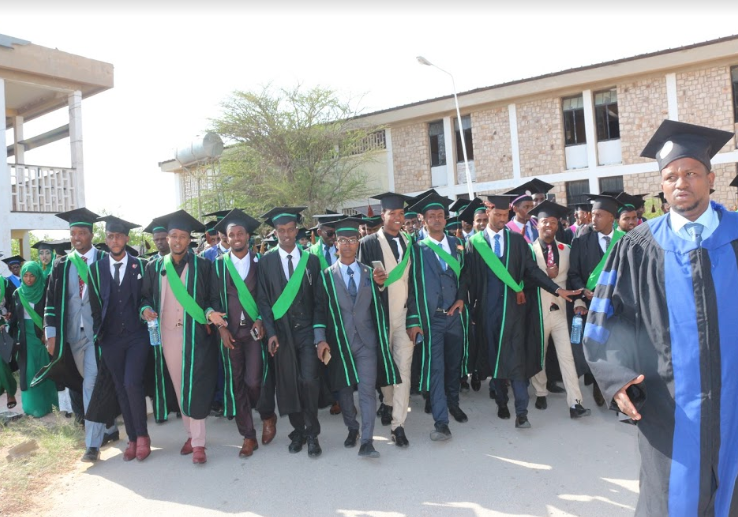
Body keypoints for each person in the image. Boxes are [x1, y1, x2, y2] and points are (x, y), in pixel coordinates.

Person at [584, 120, 737, 515]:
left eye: (691, 173)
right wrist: (617, 381)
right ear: (662, 185)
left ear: (710, 178)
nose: (680, 182)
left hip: (734, 405)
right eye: (670, 176)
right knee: (671, 501)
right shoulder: (637, 247)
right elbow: (604, 323)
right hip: (668, 411)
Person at [466, 195, 580, 429]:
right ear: (488, 213)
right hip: (487, 310)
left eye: (504, 215)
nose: (501, 219)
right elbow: (467, 278)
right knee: (495, 357)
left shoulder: (517, 241)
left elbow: (532, 272)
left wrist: (557, 289)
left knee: (516, 358)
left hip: (514, 310)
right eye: (497, 215)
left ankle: (522, 412)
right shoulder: (474, 243)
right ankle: (500, 400)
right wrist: (462, 302)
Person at [32, 208, 118, 462]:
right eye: (73, 233)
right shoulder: (61, 265)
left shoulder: (104, 260)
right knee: (84, 381)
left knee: (91, 382)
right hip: (71, 336)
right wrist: (51, 334)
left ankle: (92, 445)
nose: (77, 237)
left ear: (92, 235)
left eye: (82, 233)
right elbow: (51, 301)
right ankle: (110, 427)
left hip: (97, 335)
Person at [141, 209, 224, 465]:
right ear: (167, 238)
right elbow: (144, 298)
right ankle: (191, 434)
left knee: (194, 386)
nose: (177, 241)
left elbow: (211, 299)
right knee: (179, 387)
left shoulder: (204, 266)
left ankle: (198, 443)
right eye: (173, 236)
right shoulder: (154, 266)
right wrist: (144, 310)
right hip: (166, 336)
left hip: (196, 334)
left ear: (190, 240)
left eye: (183, 237)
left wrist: (210, 312)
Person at [314, 217, 399, 458]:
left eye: (352, 240)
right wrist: (320, 339)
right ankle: (352, 428)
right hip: (340, 342)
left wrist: (381, 287)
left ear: (358, 242)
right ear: (336, 244)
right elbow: (319, 310)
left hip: (366, 342)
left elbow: (380, 304)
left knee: (367, 391)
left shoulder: (371, 273)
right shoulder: (326, 276)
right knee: (343, 391)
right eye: (343, 240)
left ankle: (368, 441)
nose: (348, 244)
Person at [256, 206, 324, 457]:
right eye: (281, 230)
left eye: (290, 229)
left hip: (306, 332)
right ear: (275, 232)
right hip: (281, 334)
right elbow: (263, 301)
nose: (286, 234)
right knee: (288, 385)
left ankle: (312, 433)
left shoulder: (312, 261)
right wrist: (271, 333)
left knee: (308, 381)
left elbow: (319, 301)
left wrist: (319, 336)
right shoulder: (266, 263)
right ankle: (299, 430)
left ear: (297, 230)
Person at [212, 209, 278, 457]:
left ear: (248, 236)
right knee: (237, 384)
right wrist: (220, 328)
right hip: (230, 334)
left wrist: (261, 319)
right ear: (226, 238)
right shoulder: (218, 266)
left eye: (241, 233)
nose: (237, 237)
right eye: (232, 234)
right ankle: (248, 436)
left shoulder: (261, 263)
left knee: (253, 381)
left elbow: (267, 297)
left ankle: (268, 415)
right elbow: (211, 301)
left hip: (253, 333)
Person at [358, 192, 420, 447]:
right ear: (382, 215)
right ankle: (386, 401)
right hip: (380, 316)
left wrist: (415, 319)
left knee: (403, 369)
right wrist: (373, 282)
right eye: (392, 213)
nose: (397, 217)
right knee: (385, 364)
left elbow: (415, 282)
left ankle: (398, 424)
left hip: (405, 316)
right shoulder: (369, 242)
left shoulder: (410, 241)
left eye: (400, 213)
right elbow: (361, 282)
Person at [87, 216, 151, 462]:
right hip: (111, 339)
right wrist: (100, 335)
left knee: (132, 383)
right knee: (121, 389)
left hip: (137, 336)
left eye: (119, 236)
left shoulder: (141, 265)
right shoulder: (96, 269)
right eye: (110, 236)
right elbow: (95, 306)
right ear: (106, 240)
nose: (115, 240)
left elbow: (146, 297)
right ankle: (132, 438)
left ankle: (143, 436)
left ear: (126, 238)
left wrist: (146, 309)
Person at [406, 193, 470, 441]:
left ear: (445, 218)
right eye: (431, 216)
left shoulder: (457, 244)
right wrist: (414, 319)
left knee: (454, 364)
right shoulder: (415, 247)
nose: (436, 220)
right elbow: (409, 286)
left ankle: (453, 403)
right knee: (436, 368)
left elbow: (464, 275)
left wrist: (461, 298)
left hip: (455, 316)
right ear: (423, 220)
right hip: (431, 317)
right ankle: (441, 422)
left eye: (440, 216)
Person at [526, 201, 591, 419]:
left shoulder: (566, 250)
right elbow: (528, 277)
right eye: (545, 222)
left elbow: (572, 278)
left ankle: (575, 403)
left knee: (568, 356)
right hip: (539, 310)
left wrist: (579, 301)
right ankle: (541, 391)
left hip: (562, 312)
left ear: (557, 226)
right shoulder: (529, 251)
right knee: (540, 354)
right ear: (537, 224)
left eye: (553, 222)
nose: (549, 226)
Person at [568, 194, 626, 407]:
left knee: (616, 346)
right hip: (592, 305)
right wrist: (583, 290)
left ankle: (618, 385)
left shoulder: (625, 241)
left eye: (599, 215)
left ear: (612, 218)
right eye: (592, 215)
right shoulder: (581, 242)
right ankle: (597, 385)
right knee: (595, 346)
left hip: (617, 305)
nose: (593, 219)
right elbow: (573, 273)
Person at [8, 261, 57, 418]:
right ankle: (32, 408)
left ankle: (50, 404)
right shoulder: (17, 293)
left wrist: (47, 332)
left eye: (32, 275)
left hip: (42, 337)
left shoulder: (45, 291)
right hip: (25, 338)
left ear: (38, 276)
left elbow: (51, 314)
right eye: (26, 275)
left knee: (45, 369)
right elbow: (14, 318)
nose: (29, 279)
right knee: (29, 371)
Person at [0, 274, 18, 410]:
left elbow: (12, 301)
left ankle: (10, 391)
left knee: (2, 362)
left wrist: (6, 317)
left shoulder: (4, 282)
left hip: (1, 325)